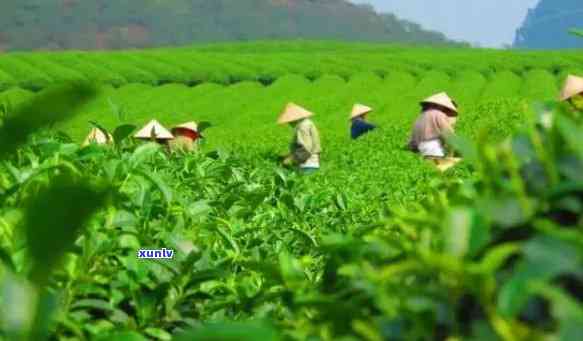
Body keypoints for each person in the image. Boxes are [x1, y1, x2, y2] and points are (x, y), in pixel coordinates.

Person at [408, 92, 461, 171]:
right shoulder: (438, 115)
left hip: (420, 146)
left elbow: (413, 137)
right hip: (432, 147)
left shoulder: (421, 116)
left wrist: (413, 148)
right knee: (443, 167)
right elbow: (449, 134)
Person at [278, 103, 321, 174]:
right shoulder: (307, 123)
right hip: (313, 163)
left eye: (289, 121)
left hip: (307, 165)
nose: (289, 124)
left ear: (294, 119)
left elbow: (305, 149)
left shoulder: (302, 127)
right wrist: (289, 154)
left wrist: (291, 159)